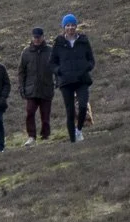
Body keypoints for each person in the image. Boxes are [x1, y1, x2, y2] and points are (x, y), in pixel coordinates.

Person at [53, 13, 95, 142]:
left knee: (83, 106)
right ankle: (73, 141)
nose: (70, 27)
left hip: (82, 80)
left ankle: (79, 130)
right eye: (67, 25)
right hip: (66, 82)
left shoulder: (83, 41)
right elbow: (52, 63)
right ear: (64, 27)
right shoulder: (58, 43)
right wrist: (59, 71)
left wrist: (86, 68)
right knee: (70, 112)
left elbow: (91, 60)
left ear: (76, 26)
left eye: (72, 25)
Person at [18, 26, 55, 145]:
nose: (37, 40)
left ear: (43, 37)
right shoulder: (26, 52)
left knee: (45, 115)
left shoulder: (50, 51)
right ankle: (31, 136)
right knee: (30, 112)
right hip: (31, 89)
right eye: (35, 37)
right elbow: (21, 72)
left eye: (39, 37)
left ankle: (45, 135)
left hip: (46, 88)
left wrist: (58, 80)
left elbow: (57, 67)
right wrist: (22, 87)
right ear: (32, 38)